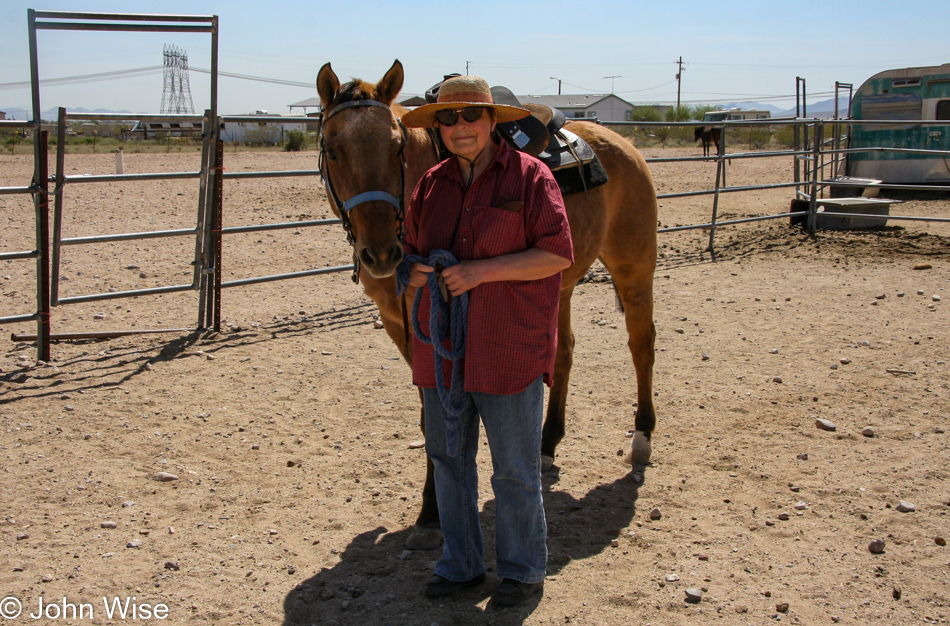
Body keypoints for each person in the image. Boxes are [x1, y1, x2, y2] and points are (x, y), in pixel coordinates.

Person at [400, 75, 573, 607]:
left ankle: (522, 571)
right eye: (446, 119)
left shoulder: (532, 178)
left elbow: (558, 254)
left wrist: (480, 273)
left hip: (508, 351)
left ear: (492, 120)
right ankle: (461, 565)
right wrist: (414, 270)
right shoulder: (429, 185)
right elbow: (407, 252)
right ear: (438, 129)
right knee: (449, 462)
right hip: (444, 355)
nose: (459, 128)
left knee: (515, 468)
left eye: (470, 116)